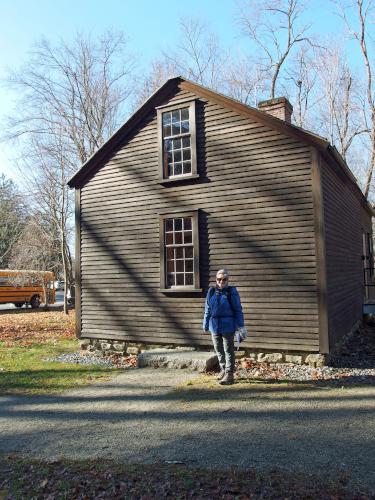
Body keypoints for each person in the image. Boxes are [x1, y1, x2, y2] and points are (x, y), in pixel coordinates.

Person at [203, 268, 245, 385]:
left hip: (228, 326)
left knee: (228, 350)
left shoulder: (231, 292)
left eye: (224, 279)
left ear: (228, 280)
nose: (221, 281)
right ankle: (223, 369)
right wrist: (205, 324)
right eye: (219, 279)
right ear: (216, 280)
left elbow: (238, 309)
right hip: (214, 326)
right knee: (218, 349)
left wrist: (241, 326)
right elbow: (208, 309)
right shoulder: (211, 292)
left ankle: (229, 374)